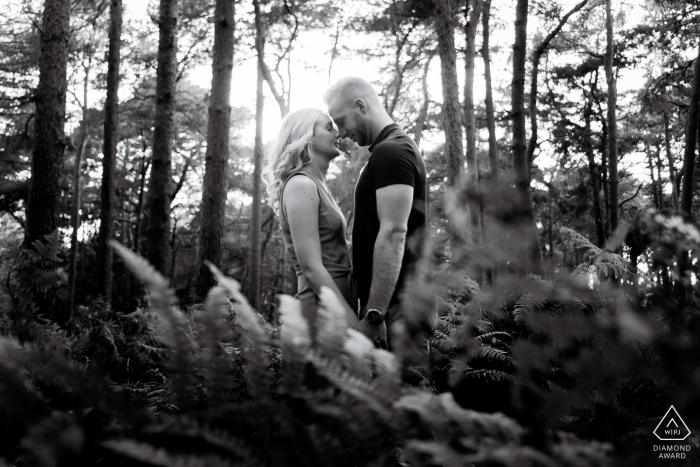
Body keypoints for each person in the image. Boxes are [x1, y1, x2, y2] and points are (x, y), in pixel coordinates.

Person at [324, 77, 431, 350]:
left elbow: (395, 232)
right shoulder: (390, 150)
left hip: (396, 311)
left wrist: (375, 314)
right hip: (397, 308)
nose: (341, 133)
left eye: (341, 121)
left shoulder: (392, 151)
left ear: (360, 106)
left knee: (405, 391)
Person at [262, 108, 359, 339]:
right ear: (306, 136)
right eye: (328, 128)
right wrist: (352, 323)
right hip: (320, 313)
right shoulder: (301, 185)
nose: (337, 133)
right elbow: (311, 268)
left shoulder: (316, 184)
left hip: (335, 307)